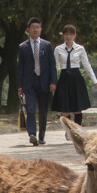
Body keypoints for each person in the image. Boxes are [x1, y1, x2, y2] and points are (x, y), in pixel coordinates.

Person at [17, 17, 57, 145]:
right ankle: (32, 134)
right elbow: (20, 68)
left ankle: (42, 136)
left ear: (41, 29)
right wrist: (20, 86)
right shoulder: (23, 47)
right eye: (33, 27)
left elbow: (52, 65)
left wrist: (53, 82)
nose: (35, 30)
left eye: (38, 27)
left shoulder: (47, 45)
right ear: (28, 30)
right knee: (31, 109)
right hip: (29, 83)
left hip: (44, 82)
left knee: (43, 111)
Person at [51, 24, 97, 127]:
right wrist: (53, 81)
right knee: (65, 109)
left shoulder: (80, 49)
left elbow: (87, 65)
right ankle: (69, 130)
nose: (68, 37)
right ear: (63, 35)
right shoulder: (58, 49)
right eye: (66, 34)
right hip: (64, 78)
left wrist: (95, 80)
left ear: (74, 35)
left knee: (77, 108)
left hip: (76, 78)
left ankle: (78, 130)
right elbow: (55, 66)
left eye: (70, 34)